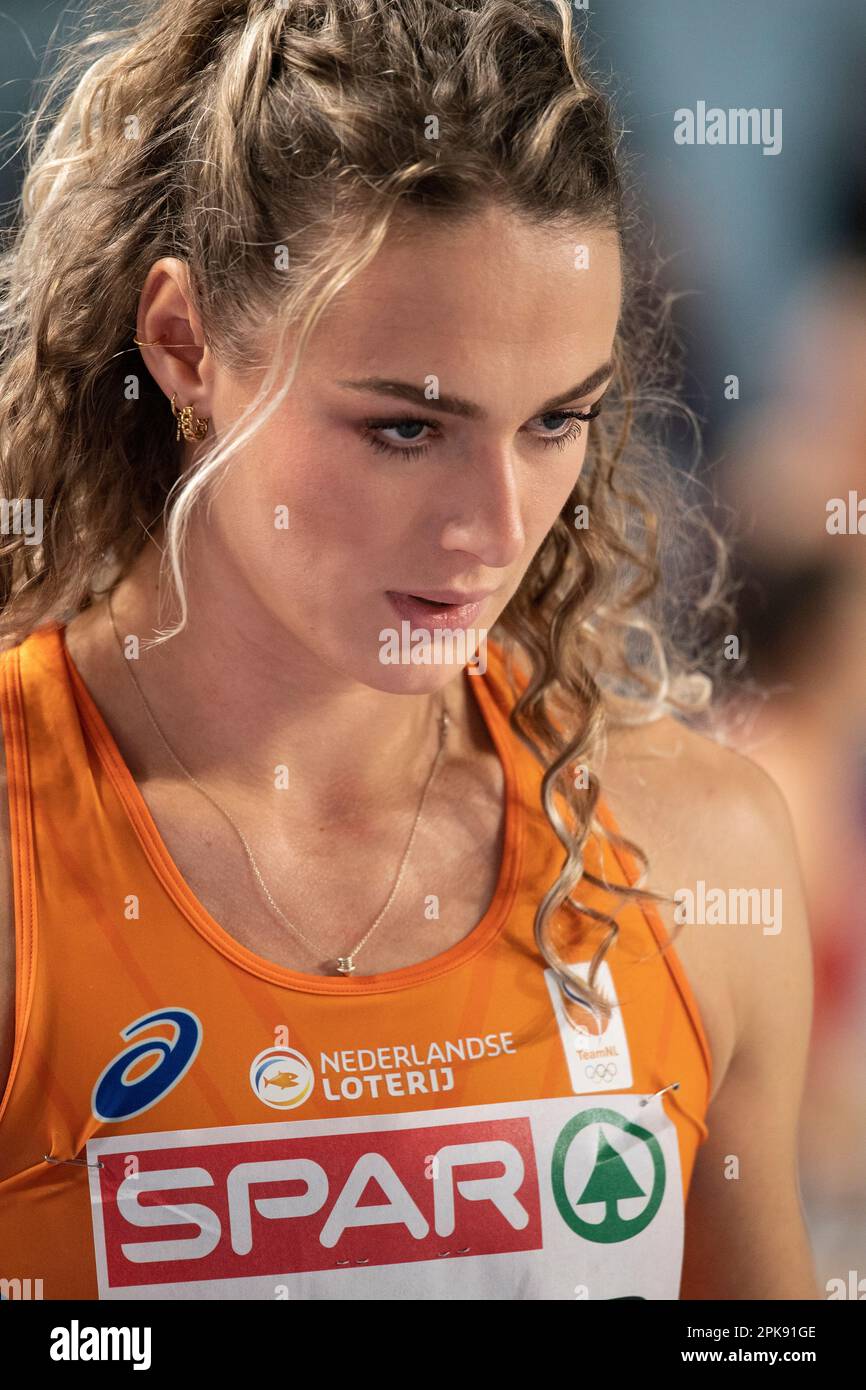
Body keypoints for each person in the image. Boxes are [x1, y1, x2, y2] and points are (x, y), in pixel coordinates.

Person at [0, 0, 818, 1300]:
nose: (494, 528)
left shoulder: (690, 846)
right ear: (184, 345)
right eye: (405, 429)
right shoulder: (22, 852)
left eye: (557, 423)